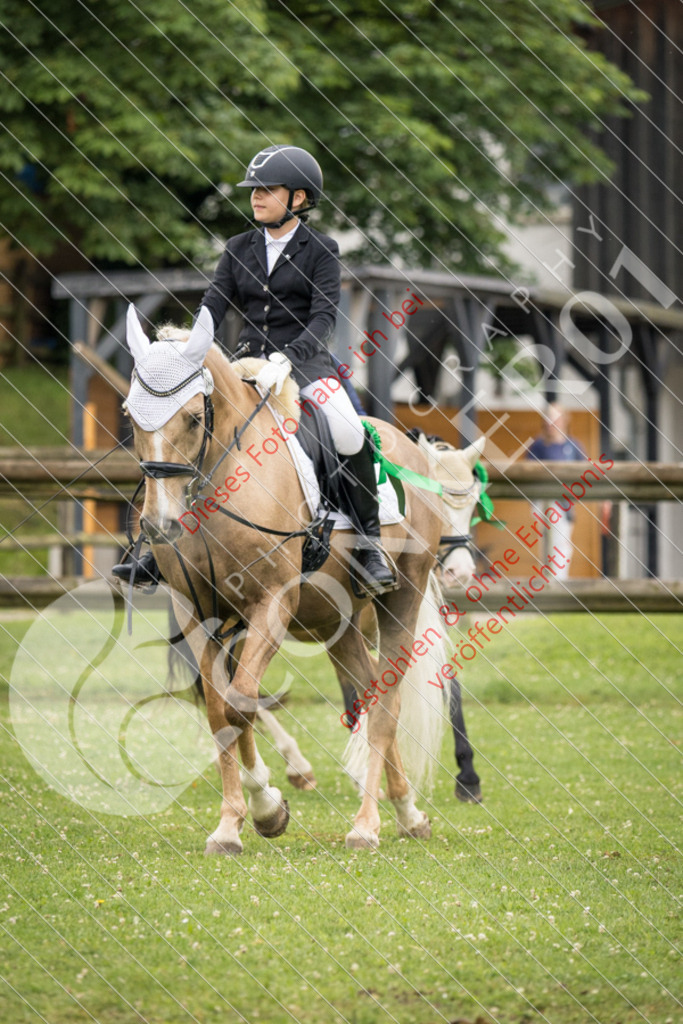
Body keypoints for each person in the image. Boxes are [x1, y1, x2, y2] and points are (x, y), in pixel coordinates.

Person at [114, 144, 396, 595]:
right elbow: (213, 303)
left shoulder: (321, 249)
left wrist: (288, 358)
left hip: (305, 365)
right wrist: (187, 346)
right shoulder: (238, 247)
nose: (256, 196)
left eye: (268, 189)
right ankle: (157, 548)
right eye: (254, 189)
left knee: (347, 431)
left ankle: (369, 545)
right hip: (244, 366)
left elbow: (324, 317)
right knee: (183, 424)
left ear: (298, 198)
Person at [526, 403, 586, 580]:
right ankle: (553, 582)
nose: (550, 423)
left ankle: (559, 581)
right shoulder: (538, 446)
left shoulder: (574, 446)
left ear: (563, 420)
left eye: (554, 418)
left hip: (567, 504)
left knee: (563, 544)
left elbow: (584, 472)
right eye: (548, 419)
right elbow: (528, 473)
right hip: (545, 503)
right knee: (551, 544)